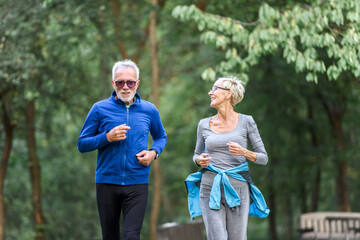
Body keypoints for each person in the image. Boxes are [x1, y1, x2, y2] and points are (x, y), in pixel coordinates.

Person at [77, 59, 167, 240]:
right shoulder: (99, 109)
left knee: (131, 236)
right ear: (113, 83)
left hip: (137, 182)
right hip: (107, 182)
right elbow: (82, 144)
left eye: (130, 82)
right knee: (110, 236)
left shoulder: (149, 110)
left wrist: (153, 153)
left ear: (137, 84)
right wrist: (107, 137)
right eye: (120, 82)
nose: (125, 87)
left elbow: (161, 137)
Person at [185, 76, 270, 240]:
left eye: (215, 89)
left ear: (228, 94)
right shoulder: (204, 124)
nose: (210, 92)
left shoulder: (246, 121)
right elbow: (196, 155)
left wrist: (244, 152)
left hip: (238, 189)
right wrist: (199, 160)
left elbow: (263, 157)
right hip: (210, 188)